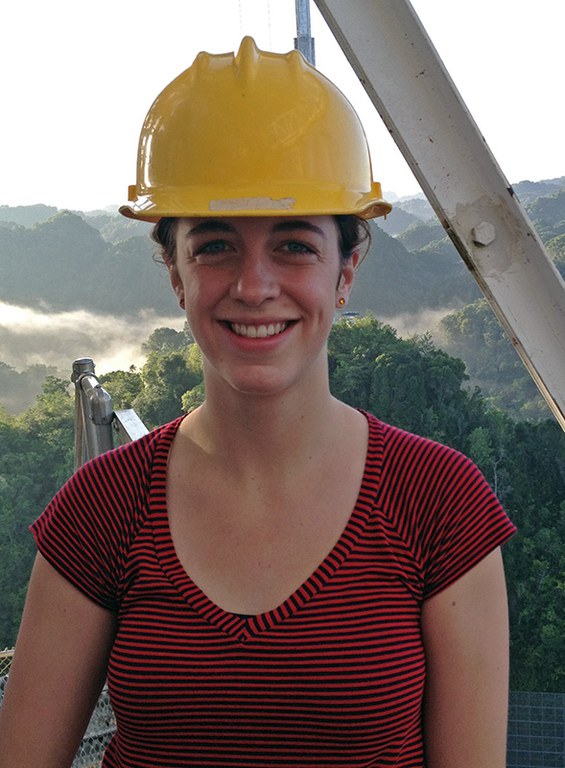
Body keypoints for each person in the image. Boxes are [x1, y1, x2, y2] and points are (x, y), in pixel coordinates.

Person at [0, 37, 516, 768]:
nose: (253, 286)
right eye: (214, 246)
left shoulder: (438, 503)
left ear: (346, 270)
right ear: (175, 273)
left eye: (294, 245)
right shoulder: (103, 507)